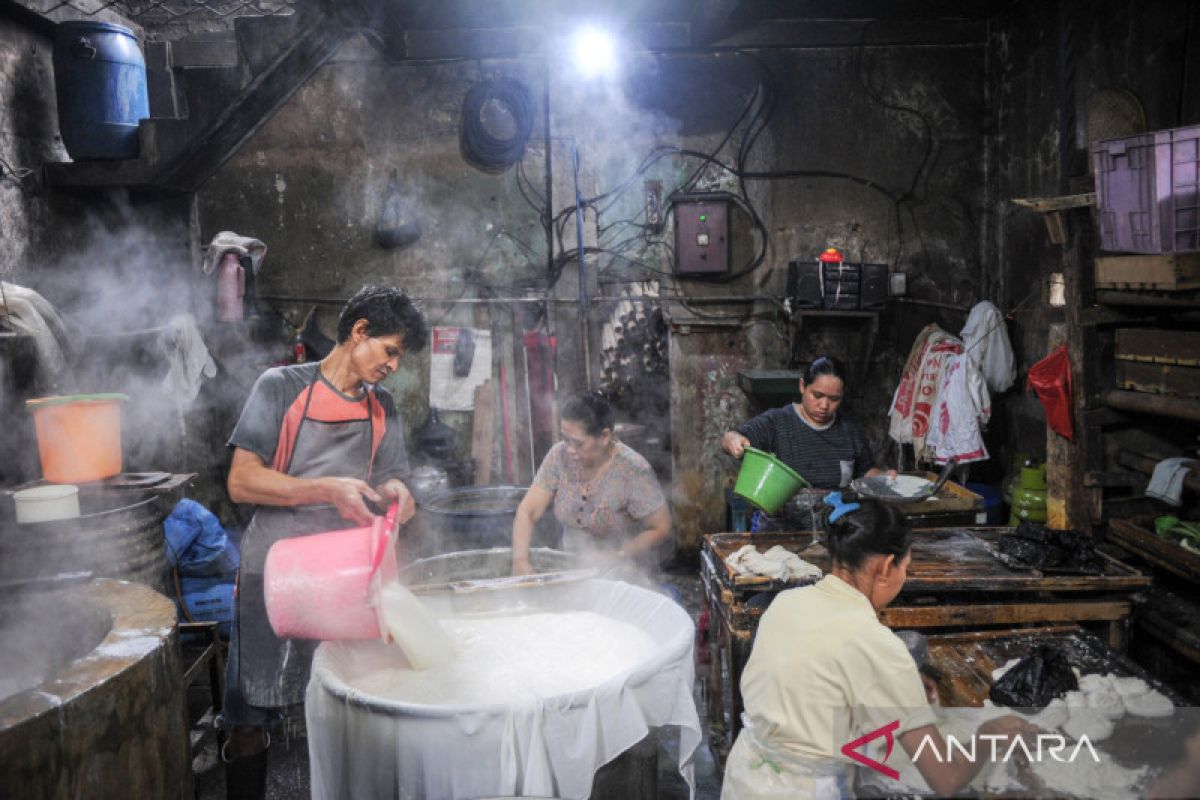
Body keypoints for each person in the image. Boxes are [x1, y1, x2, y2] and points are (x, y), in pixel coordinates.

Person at [219, 285, 426, 799]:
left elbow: (394, 478)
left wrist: (398, 492)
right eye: (391, 350)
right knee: (251, 710)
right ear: (359, 333)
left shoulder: (383, 407)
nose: (394, 366)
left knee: (350, 700)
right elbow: (242, 481)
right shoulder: (281, 387)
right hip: (275, 570)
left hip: (346, 575)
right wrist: (326, 490)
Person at [721, 496, 1036, 799]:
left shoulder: (786, 603)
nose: (904, 578)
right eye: (906, 568)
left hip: (745, 778)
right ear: (886, 566)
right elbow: (945, 779)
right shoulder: (876, 644)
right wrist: (989, 736)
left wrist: (895, 687)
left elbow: (810, 690)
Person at [511, 391, 670, 576]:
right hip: (572, 566)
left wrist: (618, 554)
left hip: (625, 570)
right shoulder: (558, 456)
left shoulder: (633, 469)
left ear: (604, 436)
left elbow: (661, 527)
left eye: (578, 444)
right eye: (565, 439)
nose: (569, 449)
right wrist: (520, 560)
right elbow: (527, 511)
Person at [721, 356, 889, 490]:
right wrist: (733, 441)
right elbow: (731, 437)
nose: (824, 406)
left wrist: (884, 478)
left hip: (835, 522)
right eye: (817, 395)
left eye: (834, 399)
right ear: (802, 386)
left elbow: (866, 471)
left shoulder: (849, 429)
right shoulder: (778, 421)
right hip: (783, 524)